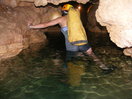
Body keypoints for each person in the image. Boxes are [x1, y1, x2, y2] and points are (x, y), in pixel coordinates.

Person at [29, 4, 113, 71]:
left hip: (71, 45)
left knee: (71, 62)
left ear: (63, 11)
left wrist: (31, 26)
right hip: (82, 41)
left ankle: (72, 73)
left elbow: (45, 25)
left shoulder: (61, 19)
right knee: (91, 55)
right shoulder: (76, 18)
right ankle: (104, 67)